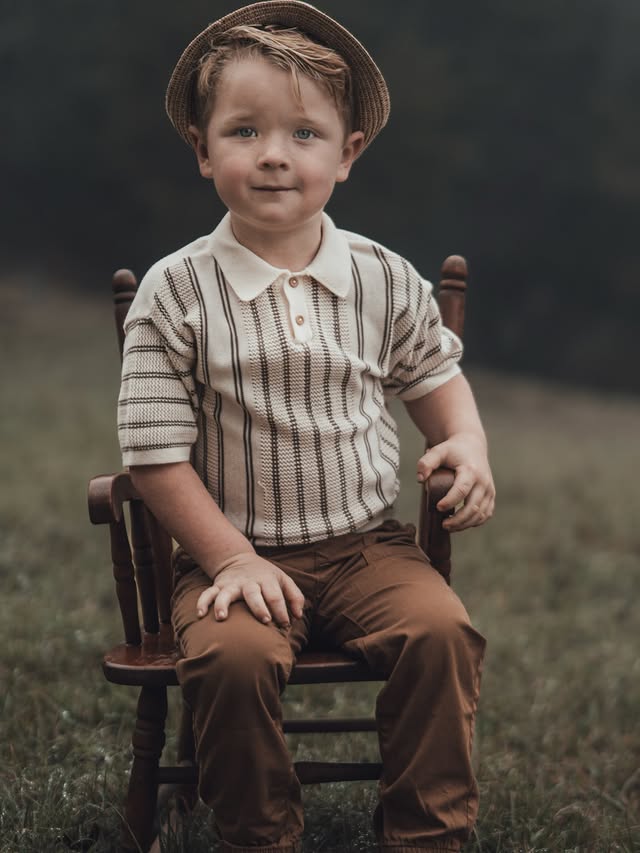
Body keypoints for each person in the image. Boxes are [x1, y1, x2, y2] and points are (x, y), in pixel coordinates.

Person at [117, 2, 494, 850]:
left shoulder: (381, 277)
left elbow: (437, 381)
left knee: (441, 634)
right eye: (244, 131)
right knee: (232, 659)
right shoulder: (177, 293)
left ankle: (427, 831)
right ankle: (260, 832)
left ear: (347, 153)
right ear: (203, 148)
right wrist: (230, 558)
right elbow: (154, 456)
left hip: (371, 545)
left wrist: (466, 442)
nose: (276, 155)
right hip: (231, 550)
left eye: (305, 134)